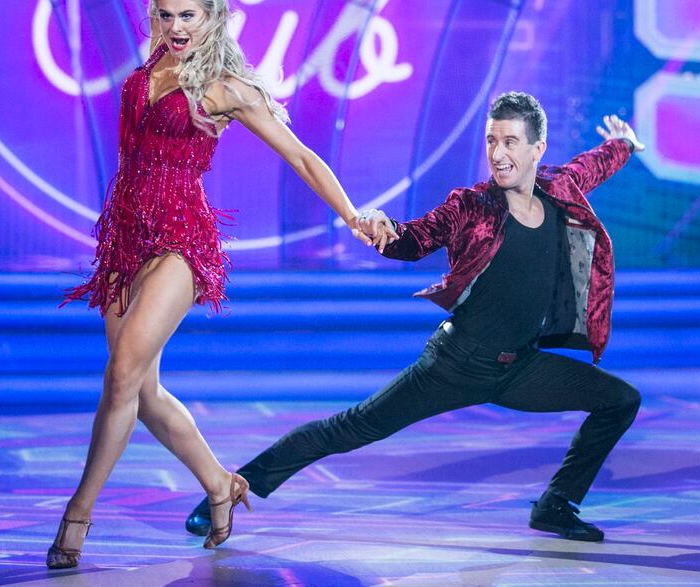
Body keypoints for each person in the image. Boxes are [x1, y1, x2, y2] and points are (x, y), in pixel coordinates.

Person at [46, 0, 383, 569]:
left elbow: (300, 156)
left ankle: (78, 515)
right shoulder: (151, 55)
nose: (175, 25)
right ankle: (219, 484)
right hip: (125, 231)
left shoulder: (226, 87)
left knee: (121, 375)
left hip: (181, 239)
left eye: (188, 16)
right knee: (142, 385)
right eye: (166, 14)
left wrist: (352, 215)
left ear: (213, 17)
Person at [185, 91, 645, 542]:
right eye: (491, 141)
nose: (498, 154)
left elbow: (594, 165)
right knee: (347, 428)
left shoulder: (558, 189)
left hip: (520, 367)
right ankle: (223, 493)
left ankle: (557, 504)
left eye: (510, 143)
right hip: (454, 365)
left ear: (537, 149)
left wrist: (622, 143)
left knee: (620, 400)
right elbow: (417, 237)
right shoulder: (474, 205)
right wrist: (389, 231)